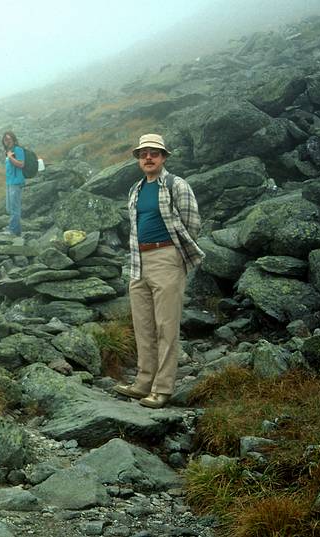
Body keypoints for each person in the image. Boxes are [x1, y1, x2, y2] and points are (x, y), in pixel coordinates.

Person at [114, 133, 205, 409]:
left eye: (154, 153)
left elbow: (193, 223)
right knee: (143, 326)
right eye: (143, 154)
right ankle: (143, 382)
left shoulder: (176, 185)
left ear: (163, 157)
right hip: (138, 261)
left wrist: (175, 254)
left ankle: (162, 388)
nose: (148, 158)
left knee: (166, 326)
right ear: (139, 159)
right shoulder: (136, 190)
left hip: (166, 257)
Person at [2, 131, 25, 236]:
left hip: (16, 182)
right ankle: (17, 231)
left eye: (9, 139)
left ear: (13, 140)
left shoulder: (18, 150)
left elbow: (21, 164)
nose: (8, 141)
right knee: (10, 207)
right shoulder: (8, 151)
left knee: (14, 208)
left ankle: (12, 230)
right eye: (6, 140)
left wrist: (11, 157)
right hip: (9, 182)